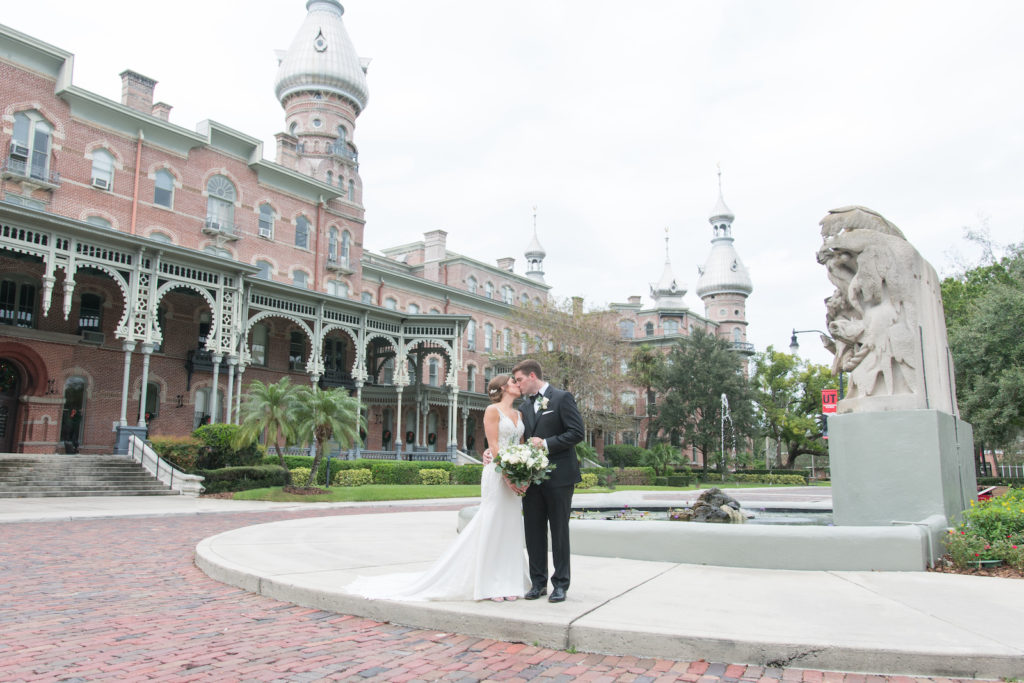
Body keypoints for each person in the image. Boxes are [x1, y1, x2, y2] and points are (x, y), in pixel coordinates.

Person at [347, 374, 529, 602]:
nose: (518, 385)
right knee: (492, 523)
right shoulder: (492, 411)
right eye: (514, 381)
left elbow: (521, 447)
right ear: (503, 387)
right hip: (497, 474)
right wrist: (509, 476)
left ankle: (510, 580)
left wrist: (524, 473)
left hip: (514, 474)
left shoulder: (519, 414)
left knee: (510, 525)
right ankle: (490, 582)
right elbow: (493, 446)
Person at [511, 359, 585, 603]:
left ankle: (561, 584)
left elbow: (576, 433)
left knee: (559, 531)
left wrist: (545, 444)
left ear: (533, 376)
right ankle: (538, 583)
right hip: (532, 479)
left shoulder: (562, 398)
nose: (517, 384)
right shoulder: (523, 406)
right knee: (533, 531)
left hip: (560, 477)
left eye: (519, 379)